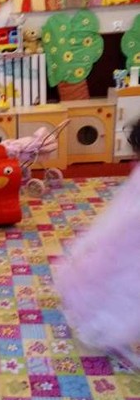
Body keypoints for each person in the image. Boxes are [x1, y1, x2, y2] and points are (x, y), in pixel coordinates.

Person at [55, 117, 140, 368]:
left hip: (128, 237)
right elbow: (125, 212)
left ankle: (110, 329)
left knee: (122, 286)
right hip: (128, 238)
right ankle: (107, 330)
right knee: (119, 286)